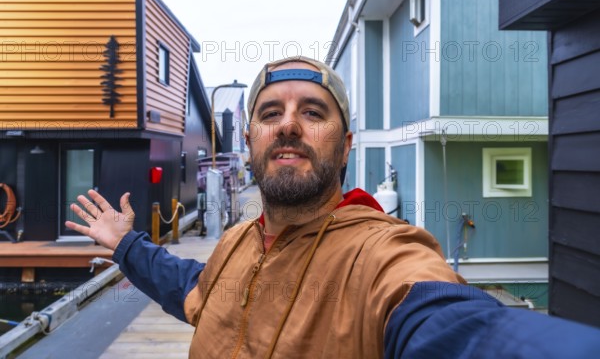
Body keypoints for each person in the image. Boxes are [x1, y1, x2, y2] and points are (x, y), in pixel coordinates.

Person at [67, 57, 600, 358]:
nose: (290, 125)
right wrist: (126, 245)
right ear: (251, 139)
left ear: (345, 146)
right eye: (271, 112)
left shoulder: (381, 253)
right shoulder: (236, 242)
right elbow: (191, 288)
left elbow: (450, 326)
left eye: (313, 112)